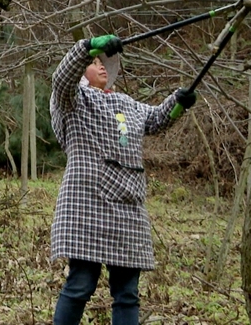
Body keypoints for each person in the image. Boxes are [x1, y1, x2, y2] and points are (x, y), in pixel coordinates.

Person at [49, 34, 197, 325]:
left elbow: (155, 119)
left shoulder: (127, 104)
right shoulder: (72, 100)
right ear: (82, 69)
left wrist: (177, 102)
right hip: (86, 204)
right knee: (80, 285)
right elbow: (61, 78)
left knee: (127, 293)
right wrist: (86, 47)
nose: (102, 67)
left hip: (129, 207)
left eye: (104, 62)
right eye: (93, 63)